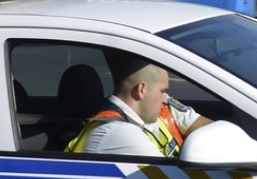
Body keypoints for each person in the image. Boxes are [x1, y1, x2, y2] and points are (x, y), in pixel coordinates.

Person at [66, 54, 214, 158]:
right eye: (163, 91)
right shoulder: (116, 132)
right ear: (141, 90)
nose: (165, 99)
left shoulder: (157, 107)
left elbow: (209, 128)